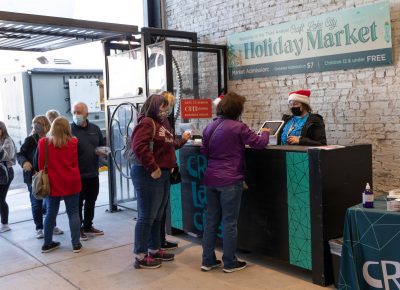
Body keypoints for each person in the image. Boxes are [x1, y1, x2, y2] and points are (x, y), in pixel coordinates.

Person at [200, 92, 270, 273]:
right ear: (237, 109)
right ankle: (230, 262)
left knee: (211, 221)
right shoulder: (239, 127)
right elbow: (260, 144)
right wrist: (265, 132)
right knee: (229, 222)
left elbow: (205, 152)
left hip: (210, 179)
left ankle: (207, 261)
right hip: (230, 181)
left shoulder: (209, 127)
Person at [130, 94, 176, 269]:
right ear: (155, 106)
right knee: (147, 216)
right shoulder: (147, 122)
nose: (165, 110)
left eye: (166, 107)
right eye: (163, 107)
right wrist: (153, 167)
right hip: (148, 174)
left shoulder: (161, 123)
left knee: (157, 216)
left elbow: (167, 145)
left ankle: (154, 249)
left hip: (162, 174)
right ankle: (140, 255)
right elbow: (138, 146)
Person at [38, 117, 82, 253]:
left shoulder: (43, 142)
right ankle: (76, 244)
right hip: (71, 181)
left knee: (51, 213)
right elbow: (76, 161)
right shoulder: (74, 142)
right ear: (67, 128)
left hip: (52, 182)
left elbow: (41, 165)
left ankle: (47, 243)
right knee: (73, 213)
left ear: (52, 127)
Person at [17, 116, 63, 238]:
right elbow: (20, 154)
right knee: (36, 203)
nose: (36, 126)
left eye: (39, 123)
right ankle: (39, 228)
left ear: (46, 125)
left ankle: (52, 225)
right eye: (34, 124)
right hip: (34, 176)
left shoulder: (52, 139)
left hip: (49, 176)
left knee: (51, 203)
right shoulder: (30, 140)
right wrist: (24, 162)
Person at [159, 91, 191, 250]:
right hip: (161, 170)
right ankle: (157, 244)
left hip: (164, 169)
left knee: (161, 208)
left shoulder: (163, 121)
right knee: (158, 209)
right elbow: (170, 144)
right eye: (170, 105)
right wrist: (183, 140)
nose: (170, 108)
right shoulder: (159, 122)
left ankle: (160, 241)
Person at [71, 102, 105, 240]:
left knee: (91, 201)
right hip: (76, 175)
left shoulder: (95, 129)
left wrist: (103, 152)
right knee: (77, 203)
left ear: (86, 114)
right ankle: (77, 229)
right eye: (74, 112)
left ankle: (88, 225)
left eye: (79, 112)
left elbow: (102, 146)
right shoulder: (69, 130)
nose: (76, 115)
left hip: (92, 173)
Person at [0, 122, 17, 233]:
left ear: (2, 129)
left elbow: (5, 155)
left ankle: (5, 224)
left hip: (5, 172)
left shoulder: (7, 140)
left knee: (1, 198)